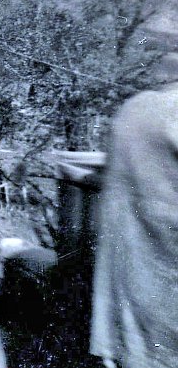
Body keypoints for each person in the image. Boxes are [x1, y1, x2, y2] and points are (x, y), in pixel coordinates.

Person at [91, 52, 178, 368]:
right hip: (165, 235)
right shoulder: (173, 110)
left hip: (126, 232)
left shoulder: (132, 107)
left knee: (134, 327)